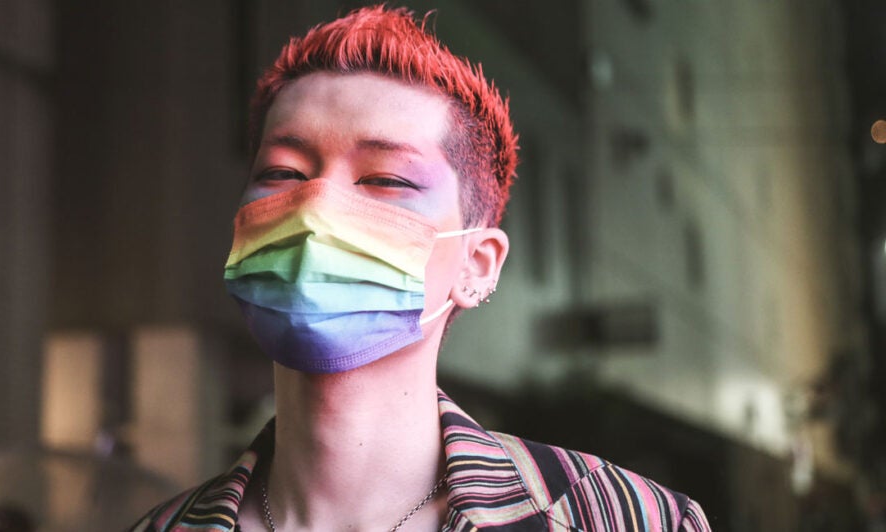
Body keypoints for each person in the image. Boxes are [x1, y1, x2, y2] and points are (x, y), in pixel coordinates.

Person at [130, 5, 710, 531]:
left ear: (478, 266)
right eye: (282, 173)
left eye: (386, 179)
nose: (315, 209)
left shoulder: (630, 520)